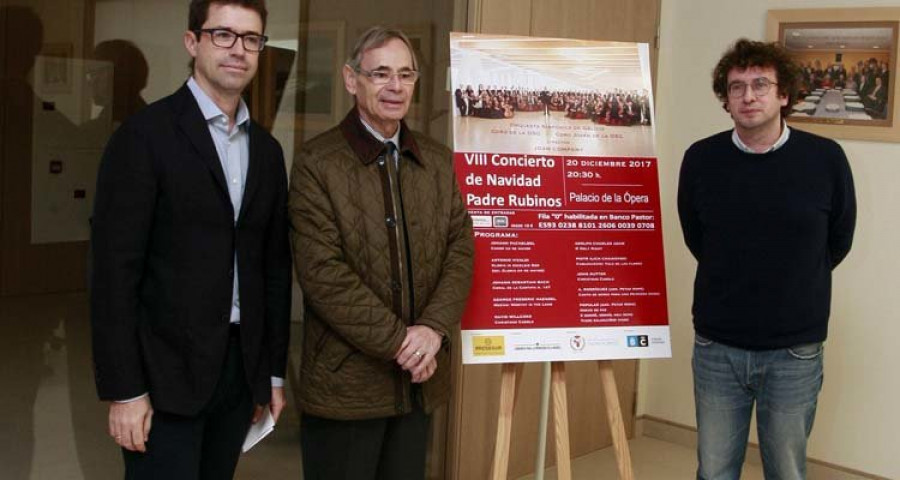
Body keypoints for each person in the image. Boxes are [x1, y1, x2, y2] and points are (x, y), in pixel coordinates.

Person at [90, 1, 292, 478]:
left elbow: (274, 269)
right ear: (192, 42)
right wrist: (125, 391)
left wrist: (271, 375)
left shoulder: (266, 151)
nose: (238, 50)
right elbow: (112, 274)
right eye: (223, 35)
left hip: (238, 372)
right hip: (163, 375)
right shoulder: (144, 136)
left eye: (251, 39)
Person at [289, 26, 474, 479]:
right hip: (345, 386)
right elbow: (322, 274)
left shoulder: (436, 161)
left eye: (406, 75)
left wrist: (432, 329)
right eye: (381, 74)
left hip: (417, 385)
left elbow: (460, 249)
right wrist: (400, 343)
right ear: (352, 80)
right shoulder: (317, 163)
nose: (396, 87)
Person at [677, 38, 856, 480]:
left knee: (787, 471)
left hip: (794, 350)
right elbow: (698, 237)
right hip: (718, 346)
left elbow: (838, 239)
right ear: (726, 99)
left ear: (784, 94)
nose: (748, 96)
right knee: (715, 469)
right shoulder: (700, 159)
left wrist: (791, 277)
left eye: (760, 84)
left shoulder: (825, 159)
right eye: (736, 87)